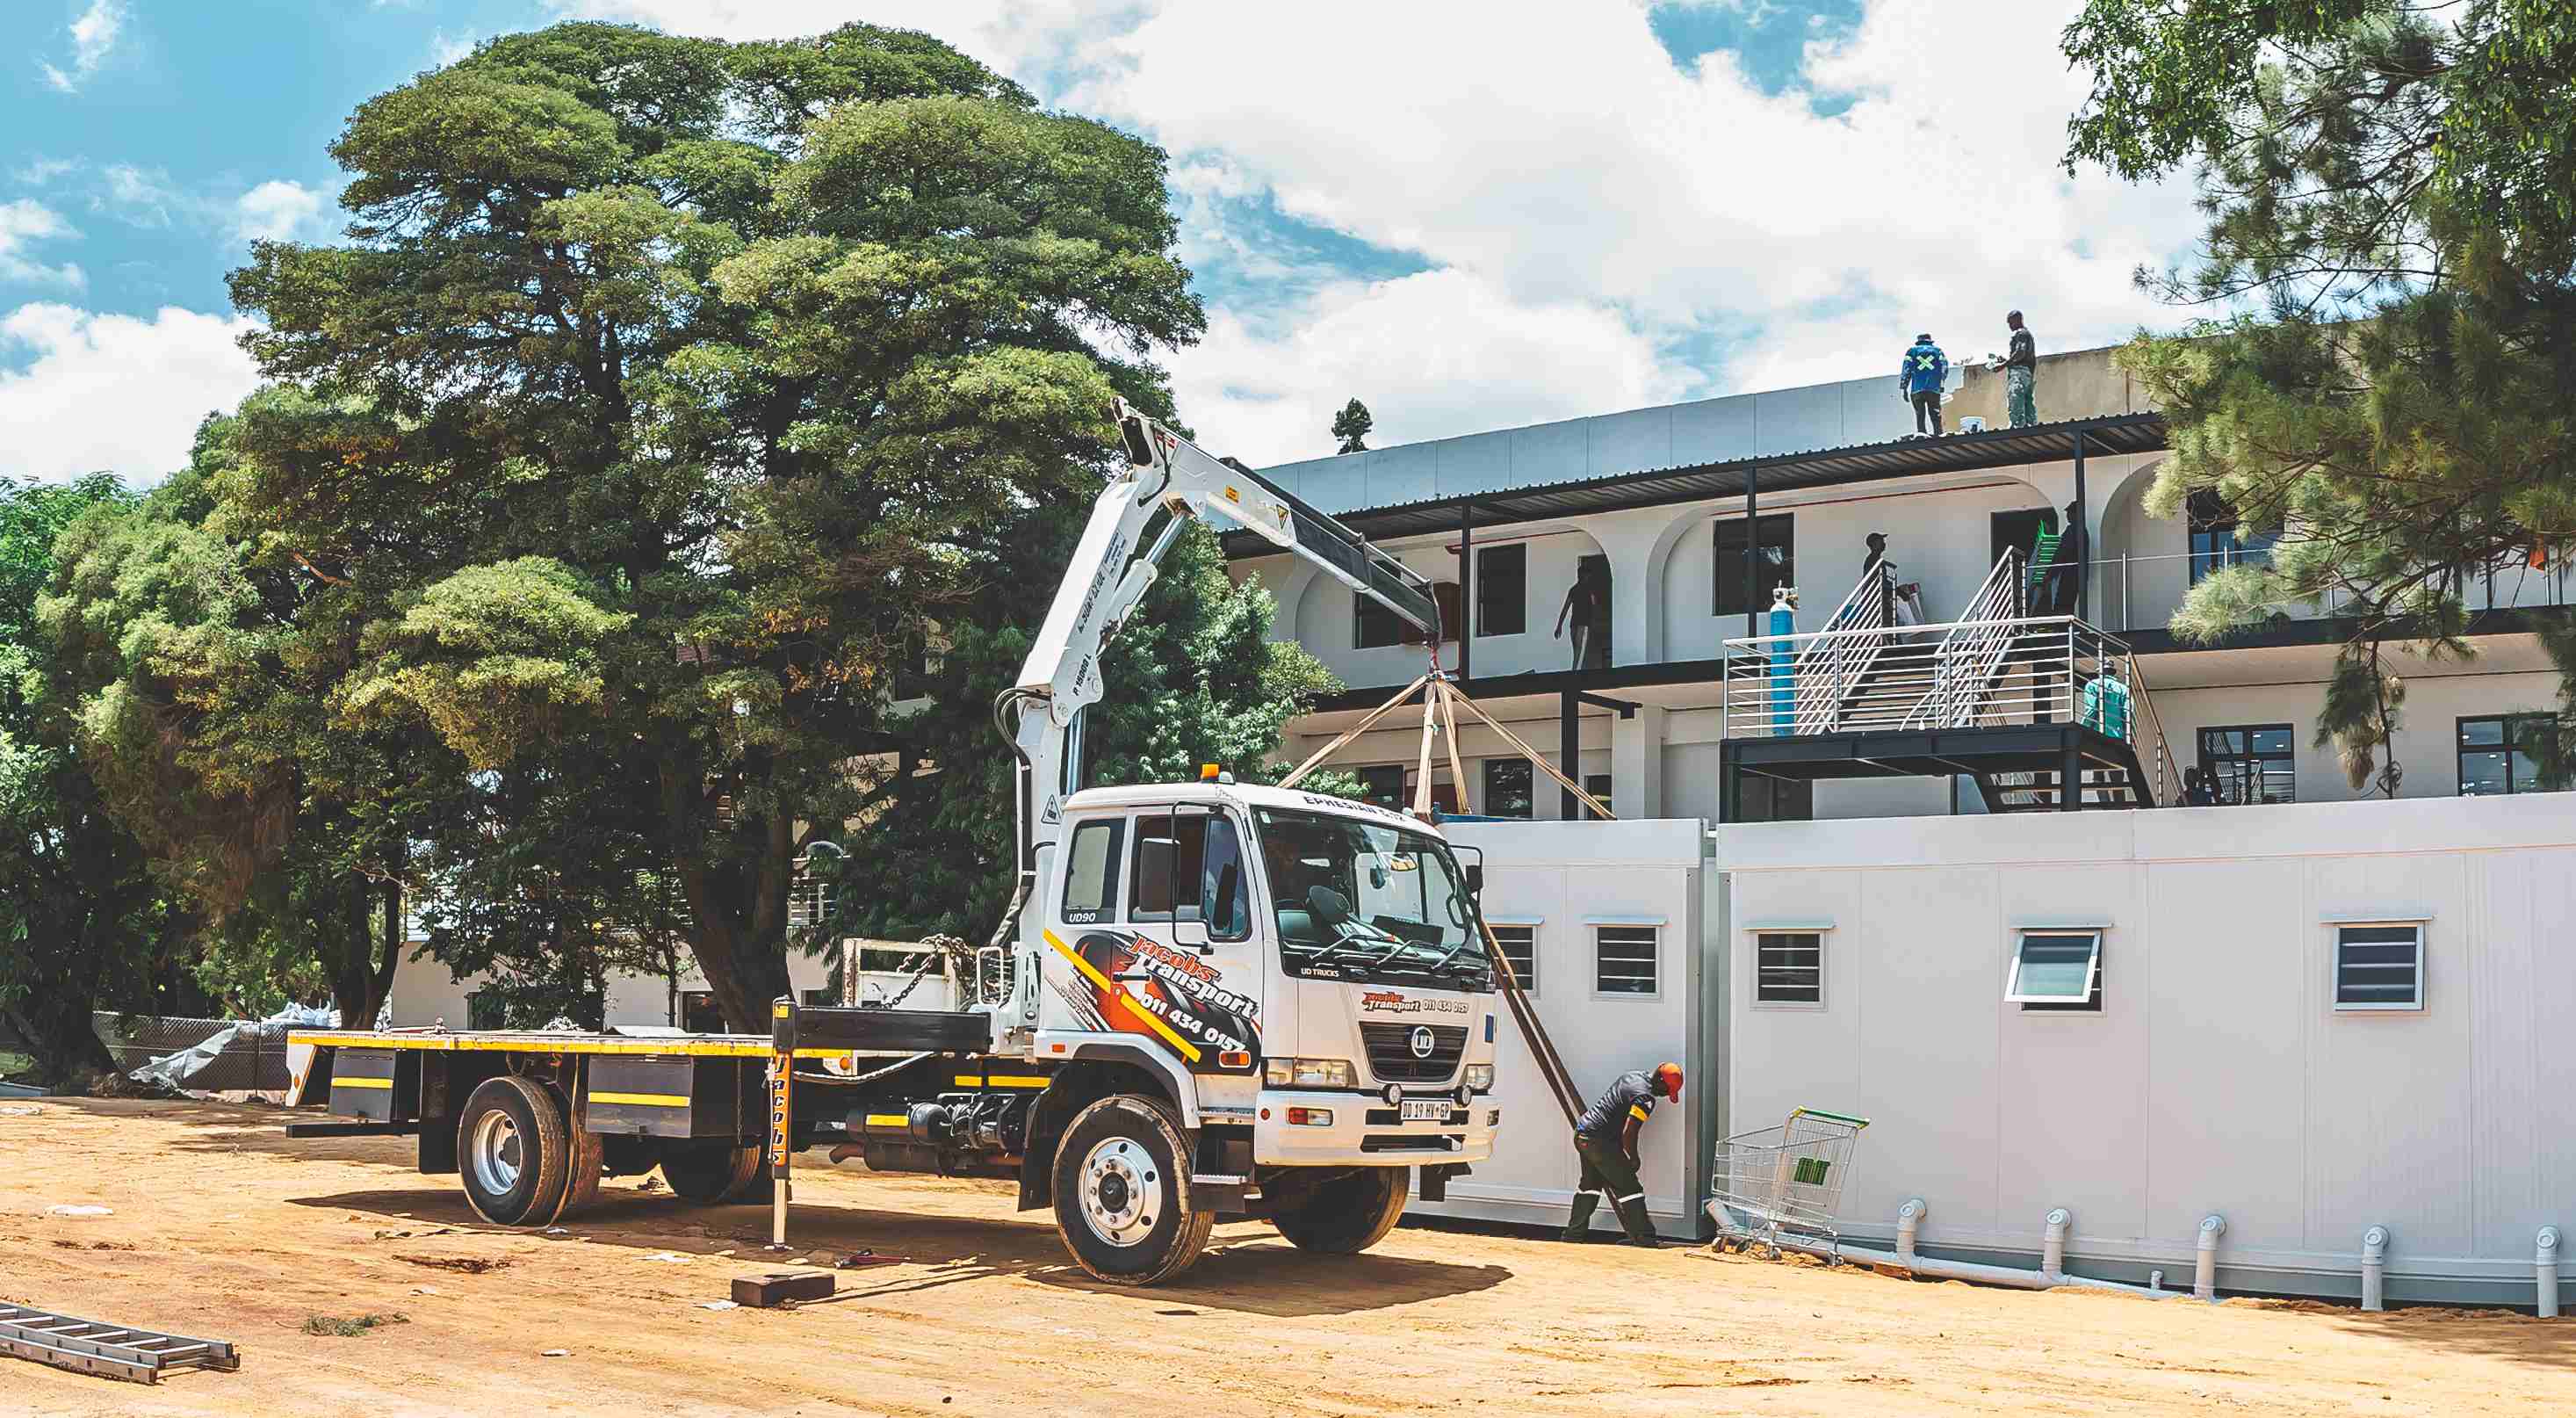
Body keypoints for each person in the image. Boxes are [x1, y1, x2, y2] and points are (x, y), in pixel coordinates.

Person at [1562, 1062, 1682, 1248]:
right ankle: (1645, 1238)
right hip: (1600, 1141)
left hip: (1584, 1134)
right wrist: (1633, 1157)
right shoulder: (1645, 1098)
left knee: (1590, 1186)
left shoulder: (1633, 1076)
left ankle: (1572, 1236)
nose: (1666, 1095)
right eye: (1667, 1090)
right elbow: (1629, 1132)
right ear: (1659, 1080)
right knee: (1630, 1188)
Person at [1862, 532, 1928, 632]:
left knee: (1890, 626)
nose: (1884, 544)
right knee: (1886, 627)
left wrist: (1897, 590)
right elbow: (1879, 584)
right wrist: (1899, 592)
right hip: (1874, 602)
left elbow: (1883, 582)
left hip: (1878, 600)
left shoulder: (1876, 560)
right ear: (1874, 544)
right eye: (1881, 542)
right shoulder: (1873, 561)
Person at [1553, 559, 1610, 670]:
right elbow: (1595, 608)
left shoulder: (1573, 590)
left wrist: (1559, 626)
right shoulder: (1589, 589)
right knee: (1579, 655)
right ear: (1584, 576)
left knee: (1578, 654)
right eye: (1588, 575)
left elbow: (1565, 608)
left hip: (1574, 626)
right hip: (1583, 626)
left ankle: (1576, 673)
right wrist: (1596, 625)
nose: (1588, 577)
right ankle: (1575, 675)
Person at [1898, 332, 1948, 436]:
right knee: (1935, 415)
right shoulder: (1938, 351)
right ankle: (1939, 436)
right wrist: (1942, 384)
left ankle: (1921, 435)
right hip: (1933, 389)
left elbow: (1906, 369)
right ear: (1930, 341)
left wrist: (1904, 388)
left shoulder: (1912, 351)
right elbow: (1945, 368)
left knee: (1920, 415)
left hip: (1917, 389)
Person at [2047, 499, 2086, 614]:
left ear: (2076, 514)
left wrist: (2050, 573)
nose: (2067, 516)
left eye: (2070, 513)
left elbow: (2062, 552)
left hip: (2070, 573)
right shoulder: (2081, 530)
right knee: (2067, 604)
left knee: (2062, 604)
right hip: (2076, 574)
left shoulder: (2073, 530)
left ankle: (2063, 624)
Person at [2002, 311, 2038, 428]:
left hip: (2019, 372)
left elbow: (2020, 352)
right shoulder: (2027, 334)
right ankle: (2031, 424)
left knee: (2015, 396)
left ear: (2017, 320)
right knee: (2027, 401)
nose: (2009, 325)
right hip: (2027, 374)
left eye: (2010, 322)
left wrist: (2004, 364)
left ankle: (2016, 425)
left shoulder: (2021, 333)